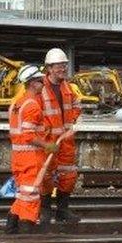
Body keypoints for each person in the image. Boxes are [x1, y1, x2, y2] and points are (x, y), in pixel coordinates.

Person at [6, 65, 70, 234]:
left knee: (23, 194)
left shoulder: (16, 104)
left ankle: (11, 227)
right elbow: (28, 135)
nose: (43, 84)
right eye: (41, 81)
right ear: (33, 83)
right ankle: (26, 230)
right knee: (32, 196)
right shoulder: (32, 106)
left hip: (18, 157)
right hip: (31, 159)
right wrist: (48, 145)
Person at [39, 48, 82, 223]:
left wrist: (74, 123)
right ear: (49, 68)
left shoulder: (69, 88)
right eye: (59, 66)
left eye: (64, 65)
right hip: (48, 141)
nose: (63, 68)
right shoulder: (40, 87)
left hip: (66, 140)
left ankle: (63, 210)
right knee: (46, 176)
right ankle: (45, 210)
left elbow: (77, 105)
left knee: (69, 176)